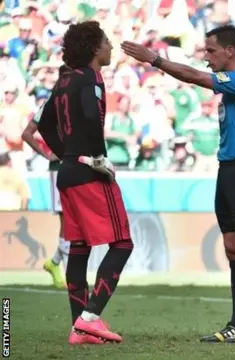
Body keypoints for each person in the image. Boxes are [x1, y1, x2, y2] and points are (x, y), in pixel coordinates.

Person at [121, 24, 235, 344]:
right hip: (228, 170)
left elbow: (197, 78)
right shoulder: (232, 89)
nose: (207, 58)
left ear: (230, 51)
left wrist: (155, 60)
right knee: (232, 249)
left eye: (212, 51)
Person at [37, 21, 133, 345]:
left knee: (79, 248)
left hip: (66, 172)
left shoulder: (64, 79)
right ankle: (89, 319)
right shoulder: (91, 76)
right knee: (122, 243)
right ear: (94, 48)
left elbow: (45, 123)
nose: (111, 46)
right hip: (88, 172)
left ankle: (79, 328)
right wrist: (96, 157)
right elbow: (91, 117)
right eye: (106, 41)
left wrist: (68, 153)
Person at [21, 65, 70, 289]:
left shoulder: (77, 104)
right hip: (59, 169)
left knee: (76, 220)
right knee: (67, 219)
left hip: (77, 167)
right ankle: (65, 269)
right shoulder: (51, 104)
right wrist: (47, 153)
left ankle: (55, 262)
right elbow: (27, 133)